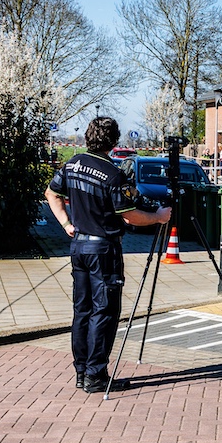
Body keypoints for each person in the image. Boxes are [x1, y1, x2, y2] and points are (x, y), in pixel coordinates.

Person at [46, 117, 171, 393]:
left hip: (78, 246)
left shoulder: (72, 164)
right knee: (104, 311)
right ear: (114, 142)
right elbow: (131, 216)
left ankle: (81, 372)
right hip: (103, 249)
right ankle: (96, 375)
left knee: (82, 310)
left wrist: (67, 224)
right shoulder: (113, 174)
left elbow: (51, 193)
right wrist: (159, 217)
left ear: (88, 137)